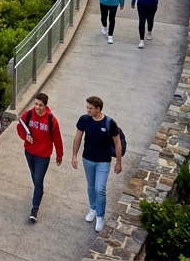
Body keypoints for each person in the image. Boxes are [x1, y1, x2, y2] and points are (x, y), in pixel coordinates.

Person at [72, 96, 124, 232]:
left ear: (98, 109)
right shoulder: (84, 120)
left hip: (103, 161)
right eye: (87, 107)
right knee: (91, 185)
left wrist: (118, 162)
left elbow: (117, 142)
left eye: (90, 108)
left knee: (100, 188)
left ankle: (100, 216)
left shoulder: (109, 123)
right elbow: (78, 137)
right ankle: (93, 209)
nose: (88, 110)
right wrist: (74, 155)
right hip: (88, 159)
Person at [16, 92, 63, 222]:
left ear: (45, 106)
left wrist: (59, 155)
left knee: (38, 180)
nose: (37, 107)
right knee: (35, 178)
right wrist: (25, 137)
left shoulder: (51, 120)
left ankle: (34, 209)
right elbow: (20, 128)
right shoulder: (28, 114)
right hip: (29, 152)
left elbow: (57, 139)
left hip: (43, 156)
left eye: (40, 105)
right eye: (35, 104)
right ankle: (39, 191)